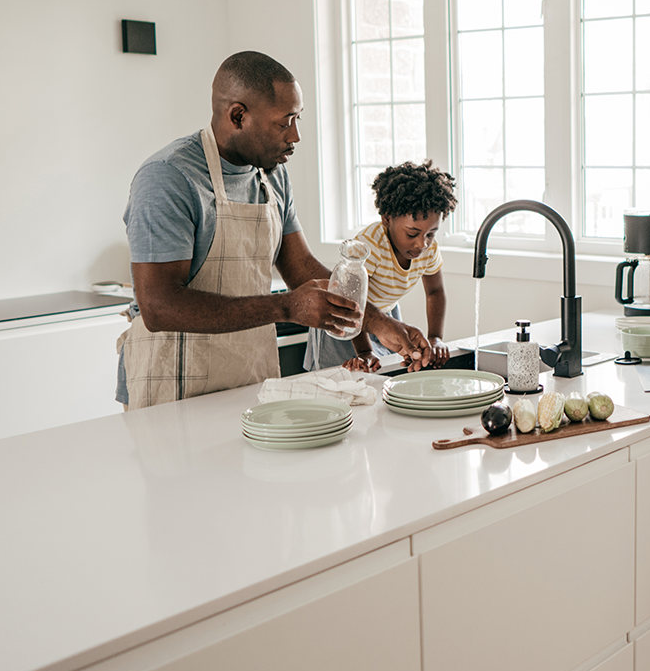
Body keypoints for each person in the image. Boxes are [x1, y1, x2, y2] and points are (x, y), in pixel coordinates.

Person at [117, 51, 430, 409]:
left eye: (298, 119)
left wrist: (379, 322)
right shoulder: (169, 177)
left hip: (247, 379)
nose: (296, 135)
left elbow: (300, 267)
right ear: (238, 116)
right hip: (173, 388)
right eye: (285, 122)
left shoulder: (271, 175)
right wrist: (286, 307)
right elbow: (159, 307)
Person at [305, 160, 457, 373]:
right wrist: (365, 352)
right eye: (412, 234)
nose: (422, 244)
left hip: (383, 316)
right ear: (387, 219)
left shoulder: (428, 250)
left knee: (378, 378)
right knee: (339, 382)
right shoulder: (369, 247)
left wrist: (435, 338)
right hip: (343, 323)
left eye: (431, 234)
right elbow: (350, 304)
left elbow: (435, 291)